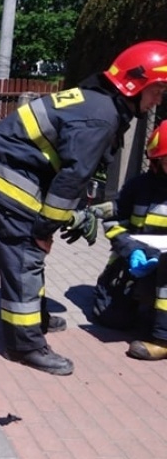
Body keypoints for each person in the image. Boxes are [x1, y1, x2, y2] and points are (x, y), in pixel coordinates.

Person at [0, 40, 167, 376]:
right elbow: (72, 179)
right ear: (136, 84)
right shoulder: (103, 117)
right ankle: (25, 345)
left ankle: (34, 319)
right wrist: (44, 230)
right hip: (6, 175)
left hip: (13, 168)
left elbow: (68, 171)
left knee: (31, 253)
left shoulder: (99, 102)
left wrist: (55, 222)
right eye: (158, 90)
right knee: (27, 255)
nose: (159, 99)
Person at [91, 119, 167, 360]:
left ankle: (162, 339)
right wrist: (131, 249)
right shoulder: (139, 186)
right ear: (157, 160)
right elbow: (115, 222)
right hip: (135, 262)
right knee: (111, 318)